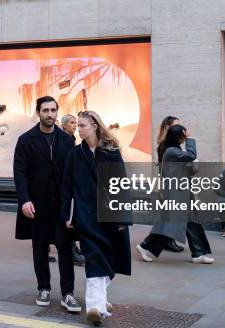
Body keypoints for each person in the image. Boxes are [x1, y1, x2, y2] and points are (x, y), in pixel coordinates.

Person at [62, 110, 131, 325]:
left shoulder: (111, 152)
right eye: (77, 125)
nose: (78, 129)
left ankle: (100, 300)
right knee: (93, 258)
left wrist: (122, 217)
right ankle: (94, 307)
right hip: (85, 215)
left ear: (94, 125)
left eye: (82, 125)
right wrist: (66, 214)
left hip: (110, 214)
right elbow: (67, 186)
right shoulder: (75, 154)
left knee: (110, 259)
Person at [14, 96, 81, 313]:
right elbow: (20, 172)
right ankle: (43, 288)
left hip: (61, 205)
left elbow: (72, 175)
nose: (50, 114)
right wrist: (25, 199)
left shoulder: (67, 140)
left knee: (65, 248)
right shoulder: (26, 140)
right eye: (45, 110)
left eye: (53, 110)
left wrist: (73, 204)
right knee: (40, 247)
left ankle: (68, 293)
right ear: (38, 112)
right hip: (37, 204)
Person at [136, 125, 215, 264]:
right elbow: (191, 155)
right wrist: (191, 139)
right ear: (179, 137)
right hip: (176, 193)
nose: (185, 139)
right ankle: (145, 246)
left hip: (181, 191)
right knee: (169, 225)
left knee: (191, 222)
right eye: (184, 136)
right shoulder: (171, 151)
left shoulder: (174, 150)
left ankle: (199, 253)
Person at [155, 116, 186, 253]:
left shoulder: (169, 143)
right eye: (176, 126)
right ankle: (165, 241)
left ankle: (167, 241)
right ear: (168, 127)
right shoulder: (165, 145)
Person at [61, 114, 86, 267]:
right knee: (68, 220)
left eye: (76, 123)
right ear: (64, 125)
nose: (74, 125)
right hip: (66, 185)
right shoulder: (65, 141)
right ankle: (71, 248)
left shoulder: (72, 140)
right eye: (72, 123)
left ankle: (73, 247)